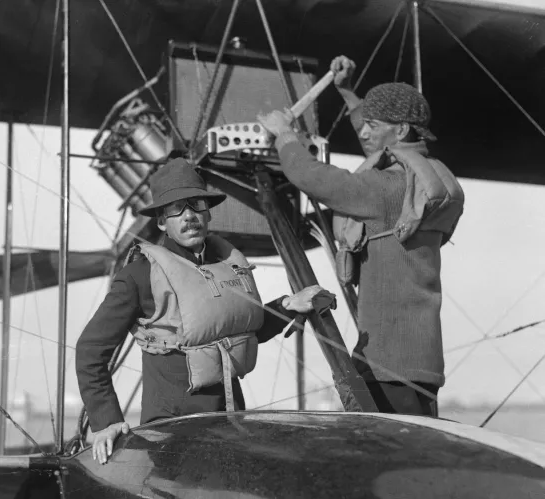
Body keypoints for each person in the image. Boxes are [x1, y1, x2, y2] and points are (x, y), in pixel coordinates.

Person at [76, 157, 337, 464]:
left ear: (207, 212)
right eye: (176, 209)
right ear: (162, 221)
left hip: (231, 423)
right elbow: (90, 350)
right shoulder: (139, 276)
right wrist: (106, 421)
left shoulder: (225, 265)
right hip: (171, 434)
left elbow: (242, 330)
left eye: (195, 204)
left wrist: (286, 306)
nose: (189, 216)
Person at [257, 56, 464, 418]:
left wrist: (285, 134)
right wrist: (346, 92)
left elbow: (313, 177)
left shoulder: (384, 189)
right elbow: (376, 144)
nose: (363, 133)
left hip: (386, 364)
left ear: (400, 131)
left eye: (372, 125)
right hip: (418, 361)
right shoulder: (420, 180)